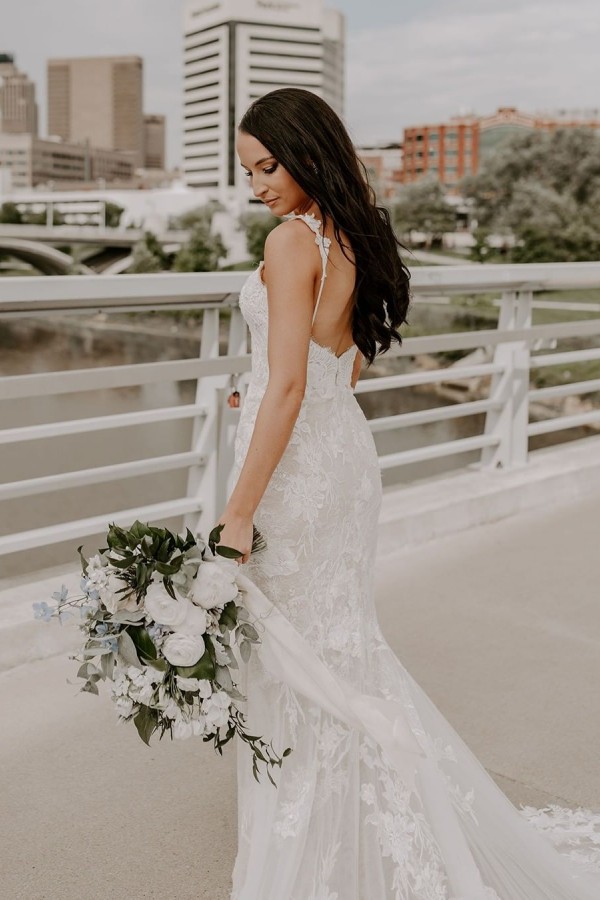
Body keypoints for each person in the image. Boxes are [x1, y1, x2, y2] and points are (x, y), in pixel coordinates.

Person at [217, 87, 600, 899]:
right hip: (341, 462)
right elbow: (336, 367)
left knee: (294, 657)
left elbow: (289, 386)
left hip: (296, 475)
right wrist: (267, 388)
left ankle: (316, 845)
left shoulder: (290, 242)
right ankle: (360, 825)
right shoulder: (356, 236)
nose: (257, 186)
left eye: (268, 166)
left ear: (307, 151)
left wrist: (238, 514)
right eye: (248, 172)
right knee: (341, 646)